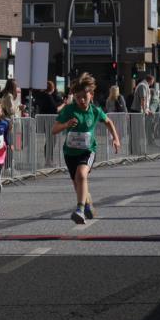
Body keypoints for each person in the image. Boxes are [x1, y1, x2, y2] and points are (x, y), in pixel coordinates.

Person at [52, 73, 121, 224]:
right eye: (78, 98)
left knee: (82, 175)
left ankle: (80, 209)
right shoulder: (69, 110)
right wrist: (66, 124)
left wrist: (115, 139)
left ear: (91, 95)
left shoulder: (95, 111)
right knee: (77, 184)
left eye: (84, 97)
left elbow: (108, 122)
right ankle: (88, 202)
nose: (81, 100)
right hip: (70, 152)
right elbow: (54, 129)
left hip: (88, 150)